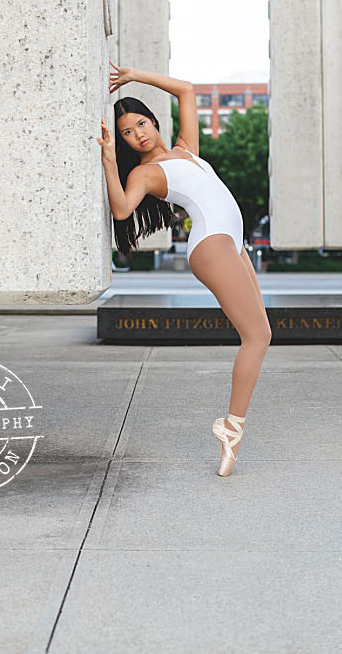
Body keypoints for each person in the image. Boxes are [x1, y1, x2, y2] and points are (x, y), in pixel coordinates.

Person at [99, 65, 272, 476]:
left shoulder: (185, 149)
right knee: (258, 336)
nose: (137, 134)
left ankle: (232, 427)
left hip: (233, 241)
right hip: (212, 244)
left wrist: (133, 76)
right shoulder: (144, 173)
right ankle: (232, 427)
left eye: (141, 123)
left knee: (262, 333)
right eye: (127, 133)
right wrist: (109, 160)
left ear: (154, 122)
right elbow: (123, 208)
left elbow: (186, 90)